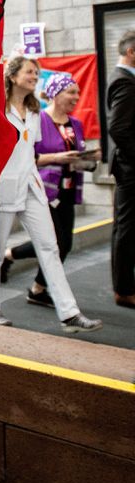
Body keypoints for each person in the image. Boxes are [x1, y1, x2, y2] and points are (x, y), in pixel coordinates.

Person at [0, 55, 101, 333]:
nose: (35, 77)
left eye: (36, 73)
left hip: (31, 184)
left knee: (50, 247)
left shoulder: (34, 110)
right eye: (30, 72)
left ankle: (69, 313)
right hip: (4, 186)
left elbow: (30, 151)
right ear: (12, 76)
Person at [1, 73, 92, 302]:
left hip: (68, 190)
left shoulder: (76, 124)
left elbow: (78, 153)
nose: (76, 97)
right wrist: (57, 158)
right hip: (42, 189)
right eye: (71, 92)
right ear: (55, 94)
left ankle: (36, 287)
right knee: (56, 242)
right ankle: (16, 265)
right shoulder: (38, 120)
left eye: (78, 92)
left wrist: (88, 159)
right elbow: (26, 156)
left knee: (65, 245)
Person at [110, 29, 135, 309]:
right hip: (130, 169)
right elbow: (118, 127)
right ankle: (124, 289)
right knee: (126, 230)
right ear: (132, 52)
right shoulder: (124, 82)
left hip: (128, 166)